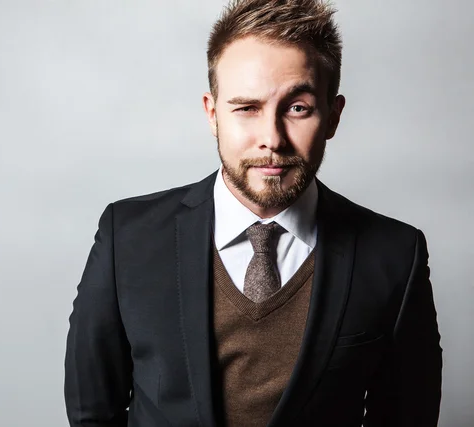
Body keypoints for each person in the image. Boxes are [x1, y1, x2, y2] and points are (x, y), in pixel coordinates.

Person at [64, 0, 443, 425]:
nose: (272, 138)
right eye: (247, 108)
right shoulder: (127, 236)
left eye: (297, 108)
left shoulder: (394, 255)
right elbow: (92, 411)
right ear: (212, 113)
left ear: (333, 117)